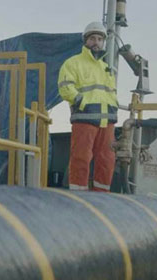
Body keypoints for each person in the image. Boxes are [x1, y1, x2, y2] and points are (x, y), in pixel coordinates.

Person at [58, 21, 119, 192]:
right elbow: (65, 87)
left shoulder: (106, 68)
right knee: (81, 158)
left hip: (107, 121)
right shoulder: (73, 63)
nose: (97, 42)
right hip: (85, 119)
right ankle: (79, 197)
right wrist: (81, 103)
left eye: (100, 39)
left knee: (106, 159)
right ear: (85, 41)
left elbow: (110, 93)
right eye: (93, 38)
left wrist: (113, 111)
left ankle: (101, 197)